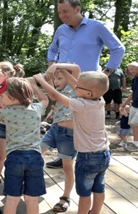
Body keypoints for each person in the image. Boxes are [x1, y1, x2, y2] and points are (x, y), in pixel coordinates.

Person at [46, 0, 125, 169]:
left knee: (87, 121)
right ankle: (64, 156)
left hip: (87, 84)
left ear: (77, 9)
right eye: (59, 12)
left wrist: (105, 73)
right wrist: (52, 66)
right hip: (62, 81)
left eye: (65, 11)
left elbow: (118, 48)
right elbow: (52, 49)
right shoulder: (61, 30)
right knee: (62, 118)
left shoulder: (97, 27)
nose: (62, 15)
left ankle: (95, 155)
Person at [35, 65, 111, 214]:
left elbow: (56, 96)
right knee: (99, 187)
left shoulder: (80, 105)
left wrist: (40, 80)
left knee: (84, 193)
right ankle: (95, 212)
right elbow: (77, 85)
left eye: (79, 86)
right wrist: (63, 71)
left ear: (88, 93)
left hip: (87, 157)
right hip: (104, 154)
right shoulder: (99, 100)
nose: (75, 87)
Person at [0, 77, 49, 214]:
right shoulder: (36, 108)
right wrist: (35, 86)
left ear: (13, 98)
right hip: (35, 157)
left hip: (15, 158)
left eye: (2, 96)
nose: (0, 99)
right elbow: (45, 100)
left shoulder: (6, 112)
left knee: (12, 198)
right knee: (32, 199)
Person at [39, 63, 80, 213]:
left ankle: (65, 197)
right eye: (55, 79)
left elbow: (76, 68)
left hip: (69, 133)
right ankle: (32, 184)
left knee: (67, 167)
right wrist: (49, 81)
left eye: (59, 78)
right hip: (55, 129)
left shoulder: (74, 87)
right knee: (36, 153)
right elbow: (52, 96)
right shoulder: (59, 89)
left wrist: (56, 66)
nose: (56, 81)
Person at [0, 61, 25, 184]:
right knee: (0, 155)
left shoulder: (17, 87)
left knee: (16, 155)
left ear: (5, 75)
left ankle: (17, 180)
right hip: (3, 126)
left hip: (17, 127)